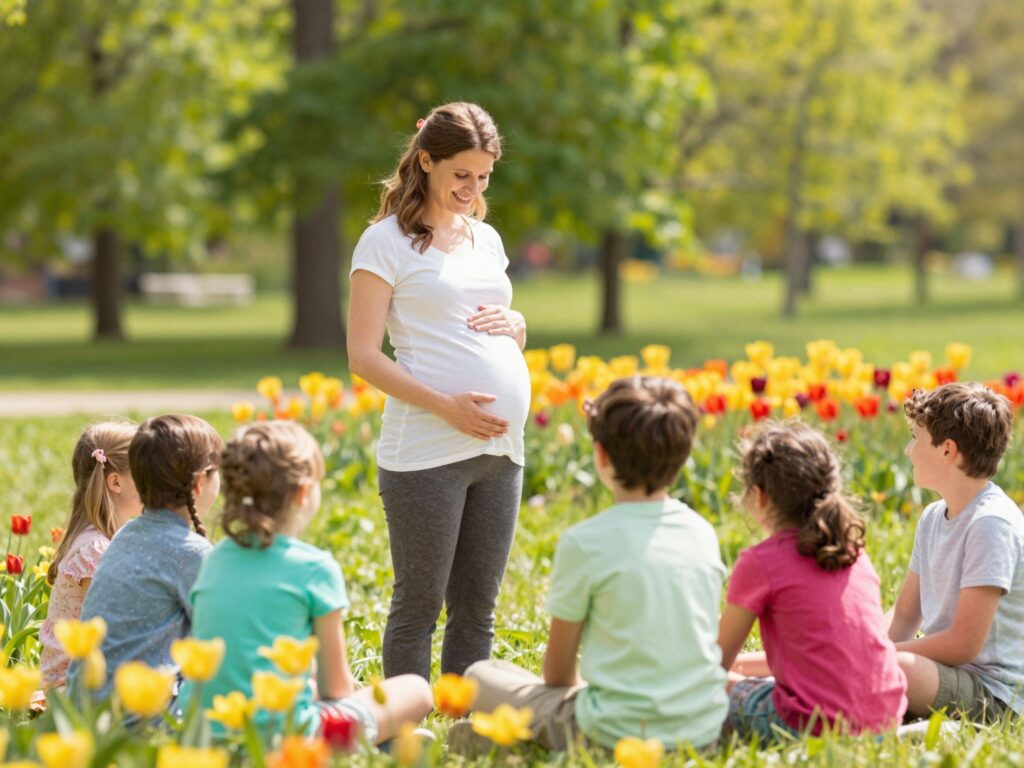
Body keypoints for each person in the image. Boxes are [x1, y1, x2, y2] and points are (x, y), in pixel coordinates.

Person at [347, 102, 530, 680]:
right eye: (461, 175)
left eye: (483, 177)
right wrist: (445, 407)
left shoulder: (486, 239)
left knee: (478, 610)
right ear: (426, 161)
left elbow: (490, 320)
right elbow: (363, 356)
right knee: (419, 607)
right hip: (427, 451)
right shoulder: (384, 243)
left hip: (500, 451)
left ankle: (465, 730)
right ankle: (408, 731)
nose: (473, 188)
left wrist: (519, 327)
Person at [455, 376, 728, 752]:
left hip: (612, 731)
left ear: (601, 455)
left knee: (479, 676)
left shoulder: (585, 543)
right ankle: (507, 741)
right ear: (683, 456)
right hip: (700, 729)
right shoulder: (702, 533)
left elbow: (557, 674)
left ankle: (501, 744)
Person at [183, 421, 433, 741]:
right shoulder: (315, 568)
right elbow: (336, 689)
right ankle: (384, 748)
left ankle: (386, 747)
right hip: (290, 739)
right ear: (303, 493)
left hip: (206, 735)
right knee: (416, 689)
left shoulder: (214, 559)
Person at [718, 422, 907, 743]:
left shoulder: (760, 562)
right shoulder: (852, 553)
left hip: (810, 726)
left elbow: (715, 663)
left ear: (760, 496)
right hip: (884, 719)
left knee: (718, 690)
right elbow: (817, 659)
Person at [888, 382, 1023, 721]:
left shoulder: (991, 523)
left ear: (947, 450)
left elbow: (963, 645)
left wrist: (880, 655)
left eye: (916, 437)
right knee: (882, 664)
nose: (908, 450)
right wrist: (865, 648)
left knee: (897, 668)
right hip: (945, 672)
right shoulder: (934, 516)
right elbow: (905, 614)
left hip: (995, 694)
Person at [69, 414, 222, 698]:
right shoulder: (192, 554)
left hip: (87, 710)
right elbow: (221, 642)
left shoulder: (123, 537)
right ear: (200, 482)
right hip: (142, 716)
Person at [40, 421, 141, 690]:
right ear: (116, 482)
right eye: (147, 476)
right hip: (72, 689)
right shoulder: (94, 550)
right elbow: (123, 620)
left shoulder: (101, 538)